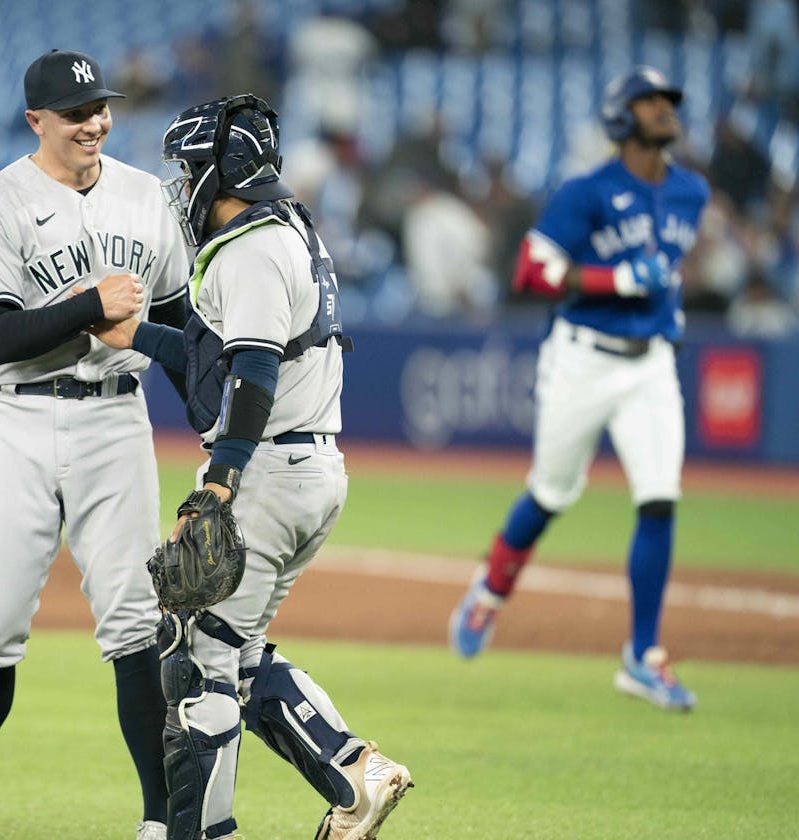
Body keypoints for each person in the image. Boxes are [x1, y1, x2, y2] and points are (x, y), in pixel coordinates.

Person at [86, 94, 413, 840]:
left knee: (197, 667)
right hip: (306, 466)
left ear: (223, 169)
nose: (182, 182)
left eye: (190, 166)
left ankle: (205, 833)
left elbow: (256, 372)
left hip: (267, 472)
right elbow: (221, 357)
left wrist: (220, 479)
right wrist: (137, 334)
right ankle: (354, 773)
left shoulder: (252, 248)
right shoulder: (282, 231)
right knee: (237, 654)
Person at [0, 49, 190, 840]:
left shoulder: (146, 199)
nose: (94, 123)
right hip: (16, 421)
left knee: (136, 622)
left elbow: (177, 330)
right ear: (36, 120)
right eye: (75, 113)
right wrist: (88, 306)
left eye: (100, 108)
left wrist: (219, 448)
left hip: (114, 417)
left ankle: (158, 819)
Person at [448, 66, 710, 712]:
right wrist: (616, 280)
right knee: (551, 490)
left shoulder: (692, 193)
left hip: (649, 363)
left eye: (667, 100)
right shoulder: (586, 191)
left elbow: (666, 270)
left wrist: (663, 302)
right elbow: (532, 271)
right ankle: (490, 590)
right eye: (650, 101)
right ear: (622, 117)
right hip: (583, 358)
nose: (663, 109)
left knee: (659, 496)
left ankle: (642, 655)